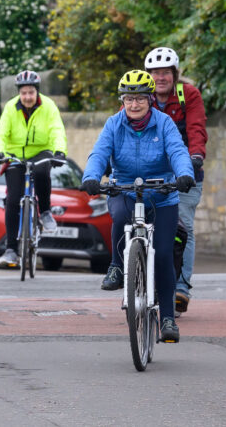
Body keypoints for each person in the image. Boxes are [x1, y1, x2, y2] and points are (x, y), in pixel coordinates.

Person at [80, 69, 195, 342]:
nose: (134, 104)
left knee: (165, 253)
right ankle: (117, 266)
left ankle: (167, 318)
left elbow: (178, 151)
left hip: (162, 193)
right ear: (122, 101)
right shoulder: (113, 124)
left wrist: (184, 173)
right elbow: (99, 152)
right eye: (128, 99)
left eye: (140, 99)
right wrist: (91, 177)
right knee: (119, 215)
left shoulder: (165, 123)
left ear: (150, 99)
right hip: (125, 189)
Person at [144, 47, 208, 315]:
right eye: (155, 73)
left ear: (174, 74)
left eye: (165, 72)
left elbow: (196, 128)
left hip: (184, 173)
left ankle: (181, 288)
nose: (160, 77)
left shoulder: (187, 94)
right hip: (150, 173)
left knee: (184, 227)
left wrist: (195, 156)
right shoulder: (140, 97)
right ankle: (143, 280)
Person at [0, 70, 68, 267]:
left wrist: (59, 151)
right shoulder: (10, 107)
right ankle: (10, 250)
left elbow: (57, 130)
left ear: (37, 92)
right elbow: (1, 133)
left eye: (30, 93)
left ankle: (45, 212)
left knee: (42, 172)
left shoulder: (48, 106)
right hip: (15, 155)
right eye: (23, 93)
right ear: (19, 93)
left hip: (41, 151)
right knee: (13, 199)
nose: (27, 97)